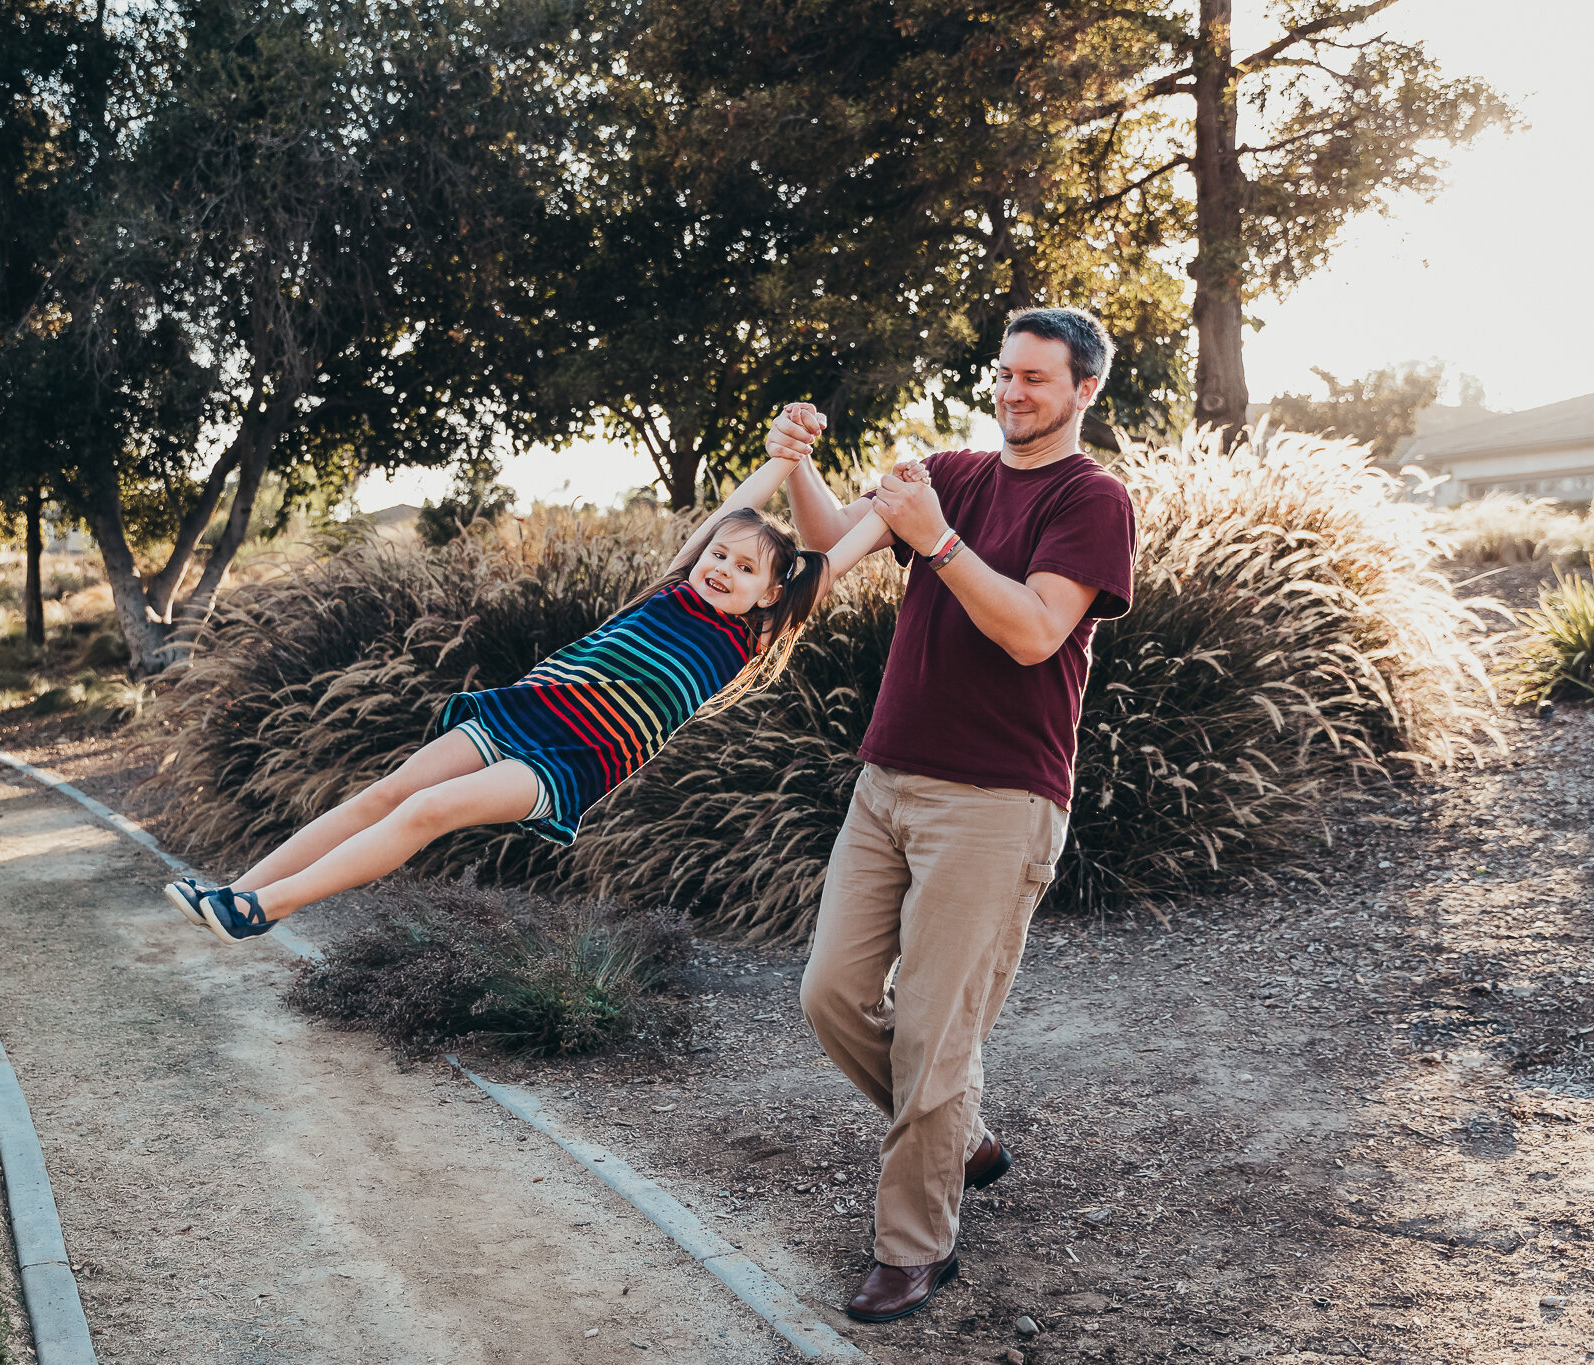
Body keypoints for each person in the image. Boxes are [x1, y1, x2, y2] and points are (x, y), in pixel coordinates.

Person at [163, 426, 901, 942]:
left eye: (746, 570)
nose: (725, 570)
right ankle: (237, 892)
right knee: (385, 794)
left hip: (570, 761)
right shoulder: (674, 586)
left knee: (428, 811)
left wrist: (893, 506)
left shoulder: (752, 634)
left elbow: (840, 553)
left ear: (771, 595)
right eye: (723, 555)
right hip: (526, 707)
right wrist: (781, 455)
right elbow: (723, 516)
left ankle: (265, 905)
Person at [772, 306, 1137, 1322]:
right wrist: (798, 465)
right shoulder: (951, 470)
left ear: (1082, 392)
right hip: (885, 782)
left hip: (996, 802)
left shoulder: (1090, 498)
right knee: (830, 993)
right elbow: (828, 542)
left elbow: (1030, 633)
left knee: (933, 1034)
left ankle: (912, 1249)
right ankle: (957, 1131)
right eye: (1003, 373)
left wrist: (935, 541)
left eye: (1035, 378)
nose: (1012, 392)